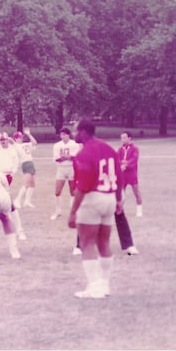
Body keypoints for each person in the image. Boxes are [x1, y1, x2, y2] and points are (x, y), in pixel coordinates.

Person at [68, 119, 122, 299]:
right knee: (104, 242)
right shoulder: (109, 148)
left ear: (84, 132)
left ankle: (94, 287)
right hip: (110, 197)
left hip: (92, 198)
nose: (74, 134)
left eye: (76, 131)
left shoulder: (84, 153)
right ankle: (105, 285)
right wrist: (119, 199)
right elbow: (119, 176)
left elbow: (83, 186)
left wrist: (73, 211)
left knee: (87, 243)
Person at [0, 132, 25, 241]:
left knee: (9, 205)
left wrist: (13, 172)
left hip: (7, 176)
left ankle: (19, 231)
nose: (3, 142)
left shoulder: (13, 150)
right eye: (1, 140)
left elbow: (16, 161)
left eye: (4, 140)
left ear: (8, 140)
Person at [50, 128, 81, 221]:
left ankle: (73, 212)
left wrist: (68, 157)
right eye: (61, 135)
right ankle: (58, 211)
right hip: (61, 169)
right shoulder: (57, 145)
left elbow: (76, 157)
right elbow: (56, 158)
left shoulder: (74, 144)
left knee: (73, 192)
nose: (62, 136)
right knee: (57, 191)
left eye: (64, 134)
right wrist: (67, 157)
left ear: (68, 135)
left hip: (71, 168)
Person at [118, 131, 143, 217]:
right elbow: (118, 159)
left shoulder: (135, 148)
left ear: (129, 138)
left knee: (136, 192)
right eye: (121, 138)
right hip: (123, 174)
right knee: (121, 192)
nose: (123, 139)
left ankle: (139, 210)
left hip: (131, 173)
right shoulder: (120, 149)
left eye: (124, 137)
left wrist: (126, 164)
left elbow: (134, 159)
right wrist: (121, 164)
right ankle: (120, 209)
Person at [12, 128, 38, 209]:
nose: (21, 139)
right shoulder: (16, 146)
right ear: (16, 139)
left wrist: (29, 134)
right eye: (19, 137)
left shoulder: (25, 145)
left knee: (32, 184)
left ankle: (27, 201)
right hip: (25, 163)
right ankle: (17, 200)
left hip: (31, 163)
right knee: (26, 184)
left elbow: (35, 143)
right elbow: (11, 141)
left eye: (21, 137)